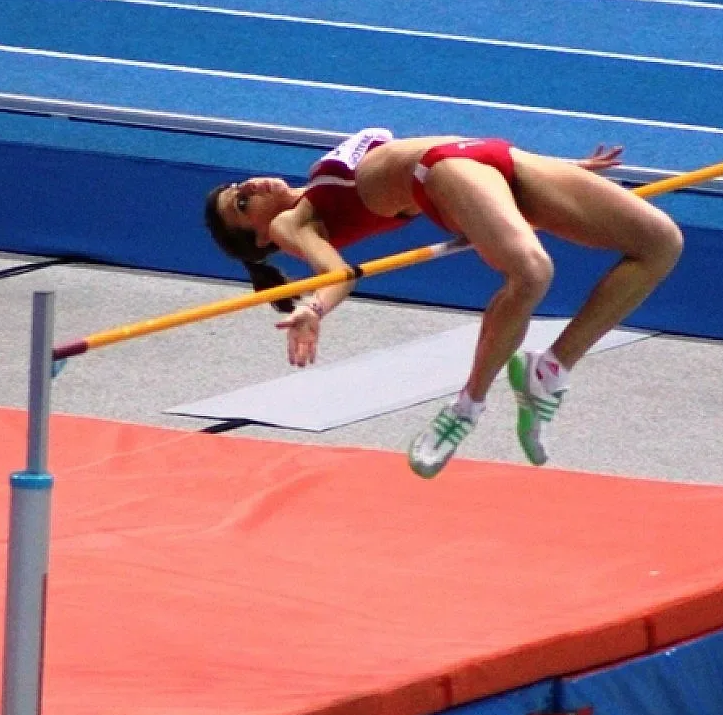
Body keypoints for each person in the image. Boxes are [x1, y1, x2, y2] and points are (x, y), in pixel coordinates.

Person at [204, 128, 683, 478]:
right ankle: (466, 407)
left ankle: (551, 369)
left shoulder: (314, 182)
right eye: (242, 206)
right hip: (444, 170)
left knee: (661, 243)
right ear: (262, 238)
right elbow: (335, 273)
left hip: (493, 156)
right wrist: (314, 309)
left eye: (237, 188)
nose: (249, 188)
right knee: (532, 271)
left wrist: (565, 169)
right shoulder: (291, 223)